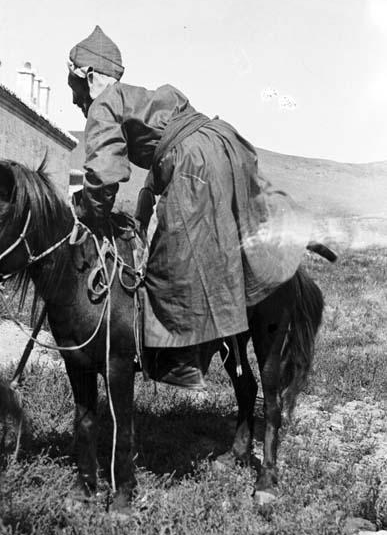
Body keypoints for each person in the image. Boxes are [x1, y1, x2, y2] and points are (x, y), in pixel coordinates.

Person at [68, 25, 312, 391]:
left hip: (195, 162)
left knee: (173, 259)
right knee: (228, 246)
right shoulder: (146, 100)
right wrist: (140, 220)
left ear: (88, 77)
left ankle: (182, 359)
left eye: (75, 91)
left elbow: (103, 176)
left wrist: (88, 215)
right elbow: (159, 169)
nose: (76, 102)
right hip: (224, 145)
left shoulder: (105, 103)